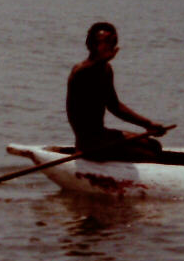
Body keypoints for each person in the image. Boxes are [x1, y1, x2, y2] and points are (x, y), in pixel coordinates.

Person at [66, 21, 172, 161]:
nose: (109, 45)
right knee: (149, 156)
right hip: (88, 143)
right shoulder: (80, 71)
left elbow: (115, 106)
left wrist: (147, 124)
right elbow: (87, 71)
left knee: (154, 146)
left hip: (102, 135)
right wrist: (99, 62)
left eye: (112, 41)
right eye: (104, 41)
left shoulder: (106, 69)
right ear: (92, 44)